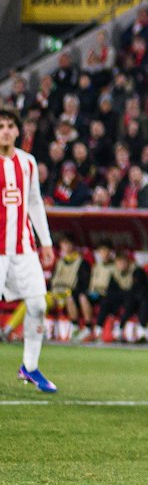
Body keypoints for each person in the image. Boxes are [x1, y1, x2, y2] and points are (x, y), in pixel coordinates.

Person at [0, 107, 56, 393]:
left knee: (38, 305)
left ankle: (30, 367)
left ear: (18, 130)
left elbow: (34, 203)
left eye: (10, 126)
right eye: (1, 126)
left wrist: (46, 242)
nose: (6, 131)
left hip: (24, 248)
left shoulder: (28, 163)